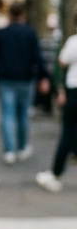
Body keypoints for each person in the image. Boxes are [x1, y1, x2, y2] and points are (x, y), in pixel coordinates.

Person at [0, 1, 49, 164]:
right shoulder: (29, 33)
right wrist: (43, 77)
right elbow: (37, 57)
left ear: (9, 15)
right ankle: (22, 147)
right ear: (23, 15)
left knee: (7, 115)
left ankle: (9, 151)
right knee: (23, 115)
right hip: (25, 79)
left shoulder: (1, 33)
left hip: (6, 78)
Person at [36, 17, 77, 191]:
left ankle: (55, 174)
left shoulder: (74, 42)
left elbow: (62, 61)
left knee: (67, 133)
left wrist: (61, 91)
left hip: (74, 90)